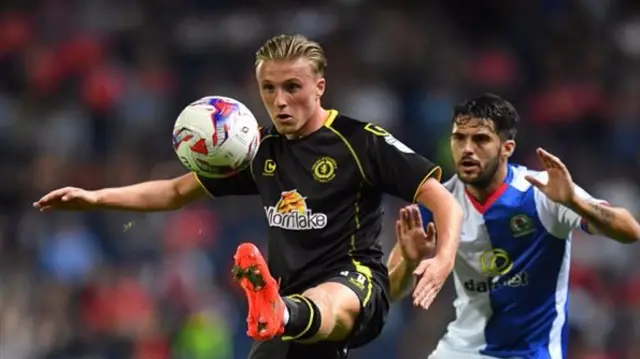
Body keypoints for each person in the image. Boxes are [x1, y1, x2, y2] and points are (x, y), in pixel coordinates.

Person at [33, 34, 464, 359]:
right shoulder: (259, 149)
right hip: (284, 324)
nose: (280, 101)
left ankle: (283, 309)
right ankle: (281, 309)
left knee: (329, 298)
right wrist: (95, 198)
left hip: (356, 288)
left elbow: (442, 199)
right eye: (268, 89)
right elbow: (174, 190)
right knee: (291, 320)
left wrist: (442, 259)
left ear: (319, 87)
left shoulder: (360, 141)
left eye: (292, 87)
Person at [388, 93, 640, 359]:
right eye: (459, 138)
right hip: (461, 351)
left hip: (531, 353)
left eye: (481, 139)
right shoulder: (439, 204)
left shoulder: (542, 191)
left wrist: (575, 202)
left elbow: (630, 231)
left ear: (506, 148)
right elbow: (392, 292)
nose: (467, 149)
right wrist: (409, 260)